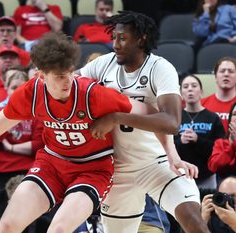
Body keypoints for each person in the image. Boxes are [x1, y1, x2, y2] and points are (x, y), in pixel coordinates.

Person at [0, 32, 161, 233]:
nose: (67, 82)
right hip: (52, 164)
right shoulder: (30, 94)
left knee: (59, 230)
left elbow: (151, 112)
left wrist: (117, 117)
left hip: (93, 169)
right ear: (40, 75)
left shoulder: (92, 94)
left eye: (69, 73)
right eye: (58, 77)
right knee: (7, 225)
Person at [77, 11, 210, 233]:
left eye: (122, 38)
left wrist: (116, 117)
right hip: (116, 170)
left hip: (155, 163)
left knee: (192, 218)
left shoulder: (160, 68)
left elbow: (171, 122)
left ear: (141, 39)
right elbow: (70, 85)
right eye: (114, 38)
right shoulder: (103, 64)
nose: (116, 44)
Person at [0, 69, 44, 190]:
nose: (17, 91)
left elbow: (38, 144)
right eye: (13, 87)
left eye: (22, 87)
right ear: (6, 88)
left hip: (28, 170)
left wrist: (9, 147)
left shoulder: (39, 113)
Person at [175, 74, 225, 189]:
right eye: (186, 87)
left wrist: (198, 140)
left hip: (207, 177)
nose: (190, 89)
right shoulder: (175, 118)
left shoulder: (213, 118)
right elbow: (167, 148)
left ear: (201, 91)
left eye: (194, 86)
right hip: (182, 177)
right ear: (181, 93)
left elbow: (219, 149)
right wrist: (180, 141)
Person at [201, 56, 236, 133]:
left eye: (231, 71)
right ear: (216, 76)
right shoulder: (201, 104)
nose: (226, 74)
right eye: (222, 71)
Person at [208, 102, 236, 179]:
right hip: (224, 187)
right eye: (234, 114)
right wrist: (231, 146)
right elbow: (214, 166)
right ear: (230, 119)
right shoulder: (220, 143)